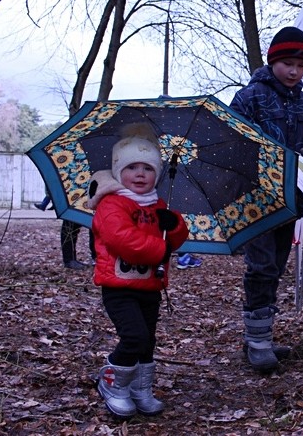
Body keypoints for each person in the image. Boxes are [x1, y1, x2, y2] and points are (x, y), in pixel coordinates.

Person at [230, 26, 303, 372]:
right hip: (255, 200)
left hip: (292, 200)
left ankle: (259, 334)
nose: (294, 71)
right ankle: (258, 341)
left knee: (275, 268)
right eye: (287, 63)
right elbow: (232, 143)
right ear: (273, 60)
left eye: (301, 65)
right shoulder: (250, 98)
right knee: (261, 267)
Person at [87, 122, 189, 419]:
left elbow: (174, 239)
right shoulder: (111, 205)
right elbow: (123, 240)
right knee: (134, 337)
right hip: (119, 286)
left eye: (148, 168)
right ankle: (113, 384)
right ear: (120, 172)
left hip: (149, 286)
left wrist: (176, 225)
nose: (141, 174)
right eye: (133, 168)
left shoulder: (158, 204)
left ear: (157, 173)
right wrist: (161, 249)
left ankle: (140, 389)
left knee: (147, 340)